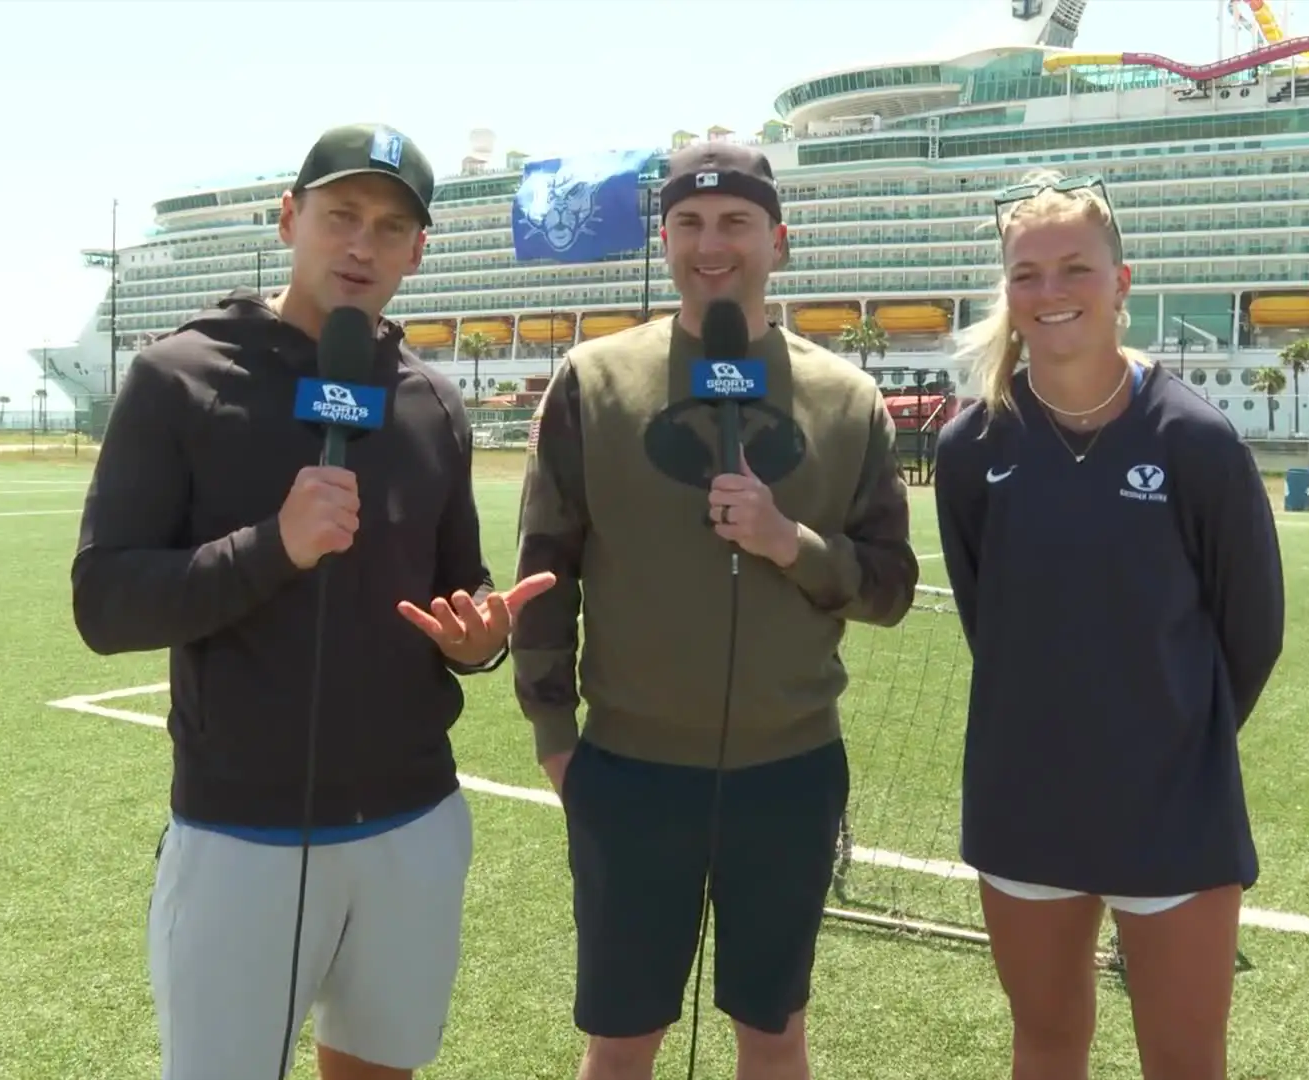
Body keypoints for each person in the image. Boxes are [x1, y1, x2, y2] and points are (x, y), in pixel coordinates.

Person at [70, 122, 554, 1080]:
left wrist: (478, 640)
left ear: (419, 250)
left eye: (390, 226)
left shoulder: (431, 402)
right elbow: (104, 603)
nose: (362, 245)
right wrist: (273, 547)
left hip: (414, 821)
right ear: (290, 218)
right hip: (240, 833)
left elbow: (462, 587)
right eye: (341, 215)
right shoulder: (182, 376)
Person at [510, 140, 919, 1080]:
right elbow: (545, 570)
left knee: (774, 1033)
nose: (711, 244)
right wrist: (554, 735)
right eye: (689, 223)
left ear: (779, 238)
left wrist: (789, 542)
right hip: (630, 771)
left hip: (789, 772)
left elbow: (892, 586)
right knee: (622, 1039)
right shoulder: (593, 380)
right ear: (664, 240)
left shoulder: (846, 397)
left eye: (736, 222)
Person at [932, 171, 1286, 1080]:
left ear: (1121, 282)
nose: (1050, 292)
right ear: (1007, 291)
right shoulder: (970, 449)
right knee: (1047, 1046)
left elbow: (1252, 632)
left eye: (1075, 269)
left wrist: (1169, 736)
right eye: (1027, 274)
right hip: (1024, 801)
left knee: (1185, 1061)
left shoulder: (1196, 440)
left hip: (1172, 808)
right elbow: (990, 620)